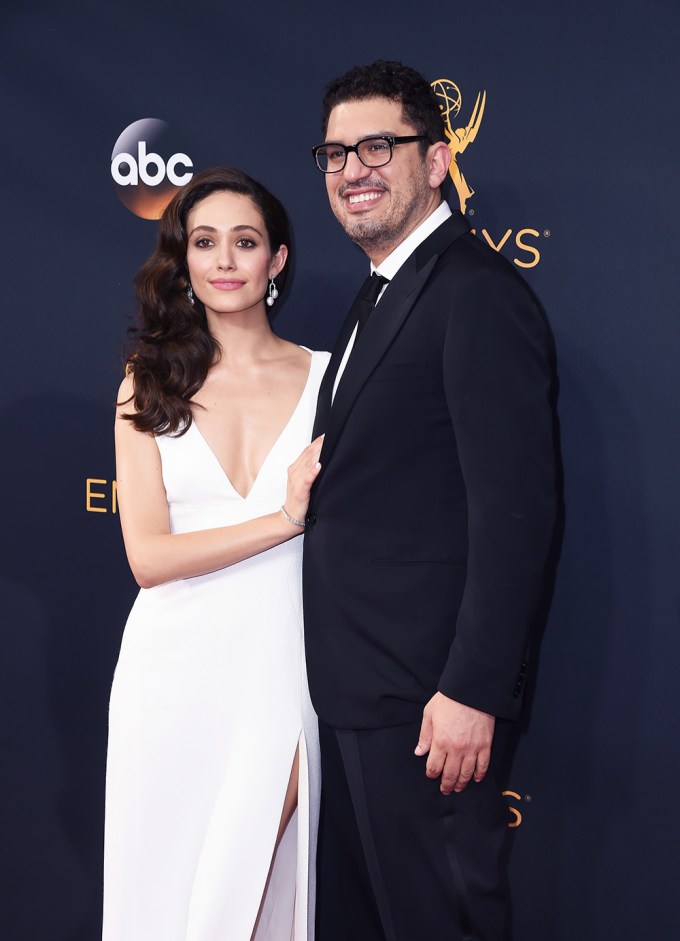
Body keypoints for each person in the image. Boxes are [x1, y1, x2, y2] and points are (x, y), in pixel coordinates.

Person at [303, 61, 558, 940]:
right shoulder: (379, 293)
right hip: (360, 693)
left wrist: (472, 689)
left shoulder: (476, 293)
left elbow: (516, 515)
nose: (353, 169)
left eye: (380, 145)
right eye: (336, 152)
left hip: (428, 706)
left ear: (439, 159)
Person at [103, 167, 328, 941]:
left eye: (246, 240)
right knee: (164, 900)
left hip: (284, 664)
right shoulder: (147, 383)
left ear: (279, 259)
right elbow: (148, 557)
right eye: (205, 241)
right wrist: (283, 517)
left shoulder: (332, 379)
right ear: (184, 260)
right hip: (168, 677)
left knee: (242, 899)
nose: (225, 259)